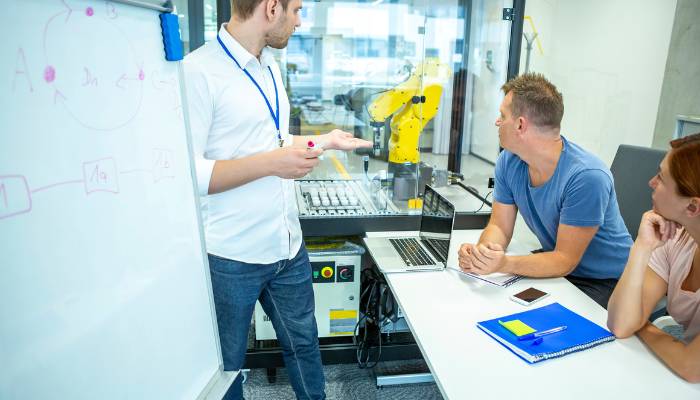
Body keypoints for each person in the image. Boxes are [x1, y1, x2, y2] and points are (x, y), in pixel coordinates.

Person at [183, 0, 372, 398]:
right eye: (297, 9)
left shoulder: (268, 64)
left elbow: (272, 142)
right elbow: (192, 174)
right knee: (227, 368)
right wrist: (272, 163)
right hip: (231, 256)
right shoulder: (198, 71)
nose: (300, 20)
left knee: (305, 346)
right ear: (271, 7)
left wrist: (326, 141)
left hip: (287, 245)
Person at [457, 73, 632, 308]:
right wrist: (484, 254)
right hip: (559, 267)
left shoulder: (586, 176)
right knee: (492, 302)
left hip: (608, 282)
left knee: (530, 318)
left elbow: (564, 261)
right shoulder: (509, 161)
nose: (497, 122)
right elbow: (499, 226)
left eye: (502, 115)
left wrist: (503, 264)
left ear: (520, 124)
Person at [607, 133, 700, 383]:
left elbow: (691, 367)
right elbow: (621, 324)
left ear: (692, 207)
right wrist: (642, 246)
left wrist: (643, 325)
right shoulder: (680, 236)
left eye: (660, 177)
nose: (651, 182)